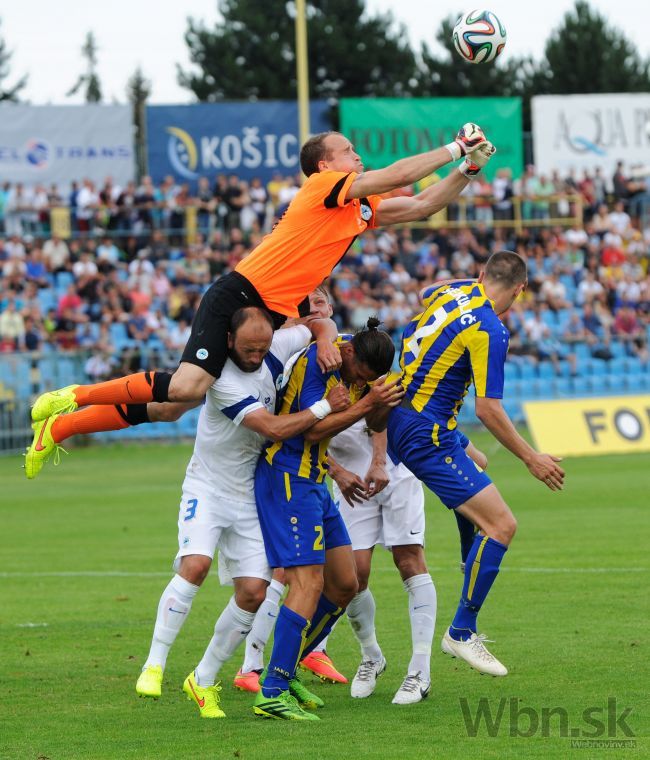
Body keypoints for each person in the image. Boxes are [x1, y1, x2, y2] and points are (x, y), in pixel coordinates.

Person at [28, 126, 497, 443]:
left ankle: (62, 430)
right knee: (188, 388)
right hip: (240, 297)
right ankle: (71, 397)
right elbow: (398, 175)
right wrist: (455, 146)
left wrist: (468, 169)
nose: (358, 156)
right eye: (349, 151)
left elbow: (420, 206)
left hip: (268, 315)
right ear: (325, 165)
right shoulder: (321, 189)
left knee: (173, 407)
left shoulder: (357, 209)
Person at [134, 306, 350, 717]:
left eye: (263, 347)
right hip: (209, 487)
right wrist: (325, 407)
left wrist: (323, 337)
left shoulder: (274, 343)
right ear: (229, 341)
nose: (257, 356)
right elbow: (271, 428)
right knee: (195, 565)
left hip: (250, 492)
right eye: (249, 349)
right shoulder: (221, 378)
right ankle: (154, 663)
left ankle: (203, 678)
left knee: (254, 591)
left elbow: (320, 323)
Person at [376, 251, 565, 678]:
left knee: (476, 462)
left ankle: (469, 560)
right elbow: (489, 410)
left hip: (405, 411)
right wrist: (531, 457)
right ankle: (462, 631)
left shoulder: (451, 290)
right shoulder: (492, 329)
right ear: (520, 290)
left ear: (481, 275)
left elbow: (424, 293)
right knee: (502, 526)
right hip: (424, 433)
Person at [252, 321, 403, 720]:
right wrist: (366, 404)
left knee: (345, 583)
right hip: (287, 476)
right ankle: (272, 689)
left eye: (368, 381)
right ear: (350, 354)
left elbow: (372, 422)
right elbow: (313, 429)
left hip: (316, 479)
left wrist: (381, 402)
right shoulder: (323, 361)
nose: (359, 382)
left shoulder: (361, 366)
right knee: (307, 580)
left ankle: (286, 667)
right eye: (359, 376)